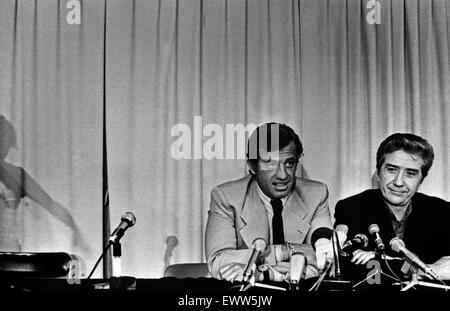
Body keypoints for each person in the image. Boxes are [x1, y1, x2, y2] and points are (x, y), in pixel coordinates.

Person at [205, 122, 334, 283]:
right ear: (252, 166)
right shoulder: (226, 197)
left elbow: (325, 260)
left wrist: (267, 274)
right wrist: (283, 252)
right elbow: (218, 260)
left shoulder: (316, 194)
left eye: (289, 163)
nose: (282, 175)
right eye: (270, 164)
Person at [334, 133, 450, 281]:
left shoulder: (443, 212)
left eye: (410, 173)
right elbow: (355, 269)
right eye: (392, 169)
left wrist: (385, 261)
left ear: (421, 180)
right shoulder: (352, 208)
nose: (399, 182)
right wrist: (428, 270)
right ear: (378, 172)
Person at [0, 115, 88, 252]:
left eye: (7, 142)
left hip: (8, 250)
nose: (4, 147)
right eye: (2, 140)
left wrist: (75, 229)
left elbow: (50, 203)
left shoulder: (16, 174)